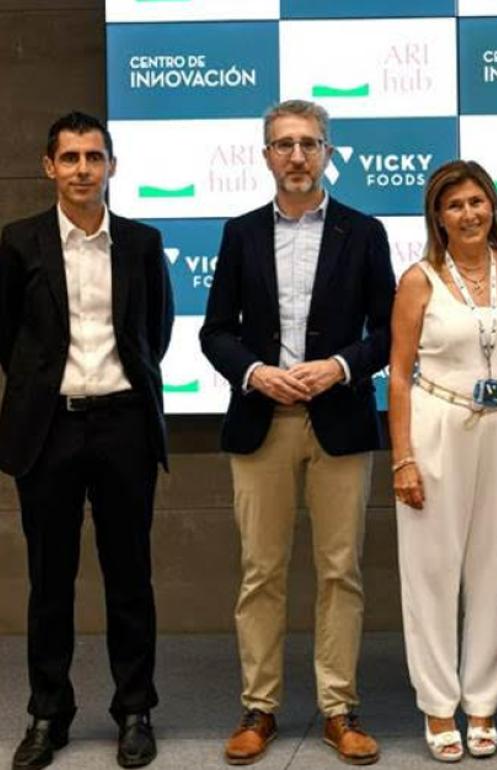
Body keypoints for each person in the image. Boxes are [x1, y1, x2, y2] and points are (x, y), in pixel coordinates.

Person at [199, 99, 395, 766]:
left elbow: (392, 331)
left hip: (339, 422)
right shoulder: (240, 232)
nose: (297, 156)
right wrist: (255, 373)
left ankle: (339, 709)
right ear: (265, 156)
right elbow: (214, 331)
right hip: (261, 424)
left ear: (329, 153)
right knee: (262, 571)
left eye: (310, 143)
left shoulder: (363, 233)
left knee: (341, 571)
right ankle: (261, 707)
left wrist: (339, 367)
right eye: (283, 144)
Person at [1, 110, 173, 770]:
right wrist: (48, 389)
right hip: (49, 431)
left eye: (92, 157)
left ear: (111, 166)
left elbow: (153, 332)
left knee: (131, 576)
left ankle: (135, 710)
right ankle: (49, 713)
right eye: (68, 158)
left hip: (124, 424)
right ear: (49, 167)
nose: (81, 169)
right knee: (50, 580)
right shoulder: (19, 241)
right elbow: (9, 337)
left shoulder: (141, 242)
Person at [388, 160, 497, 762]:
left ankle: (482, 703)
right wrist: (403, 459)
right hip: (436, 429)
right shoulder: (419, 279)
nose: (469, 214)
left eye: (477, 201)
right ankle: (436, 704)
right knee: (431, 572)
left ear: (493, 206)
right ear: (438, 217)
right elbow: (398, 376)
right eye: (454, 205)